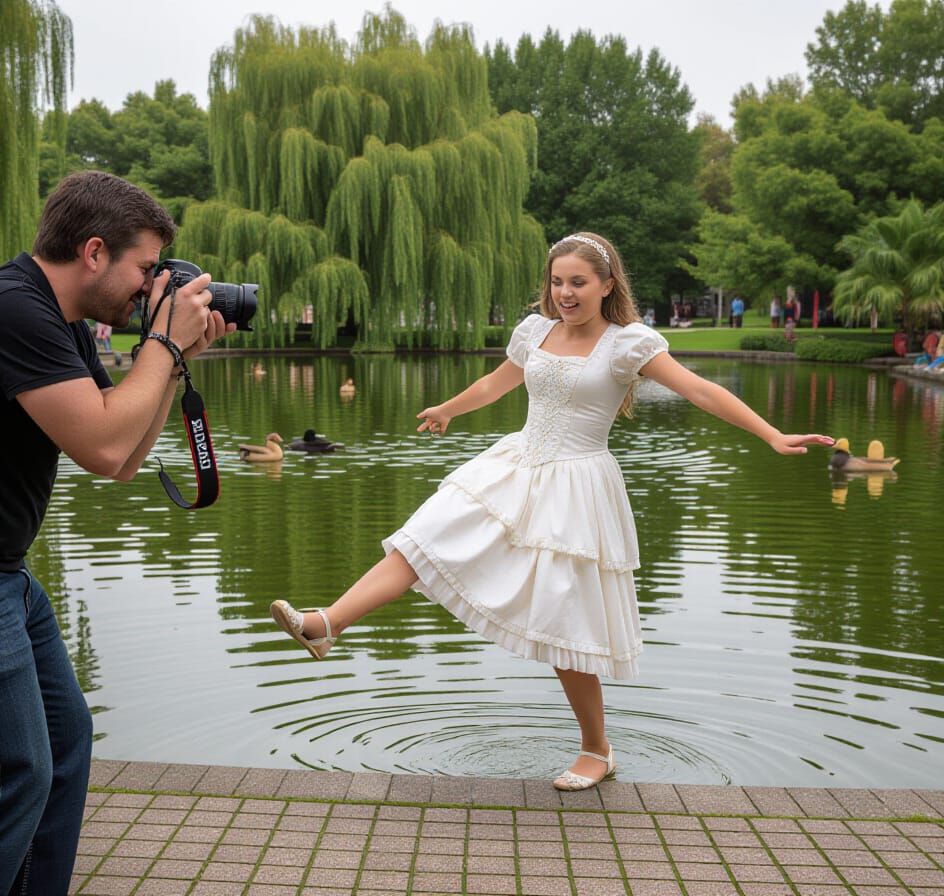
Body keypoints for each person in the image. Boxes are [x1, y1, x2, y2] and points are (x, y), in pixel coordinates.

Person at [269, 232, 831, 792]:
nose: (565, 292)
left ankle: (596, 751)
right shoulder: (535, 330)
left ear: (607, 286)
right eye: (557, 281)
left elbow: (701, 391)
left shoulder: (629, 343)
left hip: (578, 486)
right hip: (514, 466)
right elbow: (498, 382)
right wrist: (449, 408)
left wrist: (771, 433)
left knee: (568, 623)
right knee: (424, 539)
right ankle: (326, 625)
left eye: (578, 282)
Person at [0, 170, 234, 894]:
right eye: (145, 269)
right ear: (93, 251)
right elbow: (108, 447)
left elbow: (120, 459)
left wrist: (172, 360)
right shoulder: (9, 308)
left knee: (62, 745)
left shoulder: (59, 325)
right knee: (9, 774)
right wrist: (162, 345)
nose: (151, 288)